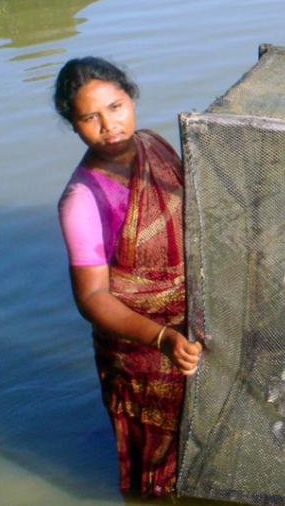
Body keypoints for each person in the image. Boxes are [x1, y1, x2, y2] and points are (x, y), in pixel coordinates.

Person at [55, 57, 203, 496]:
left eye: (116, 107)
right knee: (158, 465)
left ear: (131, 99)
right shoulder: (82, 198)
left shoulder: (153, 146)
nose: (109, 125)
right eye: (90, 117)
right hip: (142, 348)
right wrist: (162, 338)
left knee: (207, 436)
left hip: (193, 327)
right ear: (74, 124)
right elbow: (93, 298)